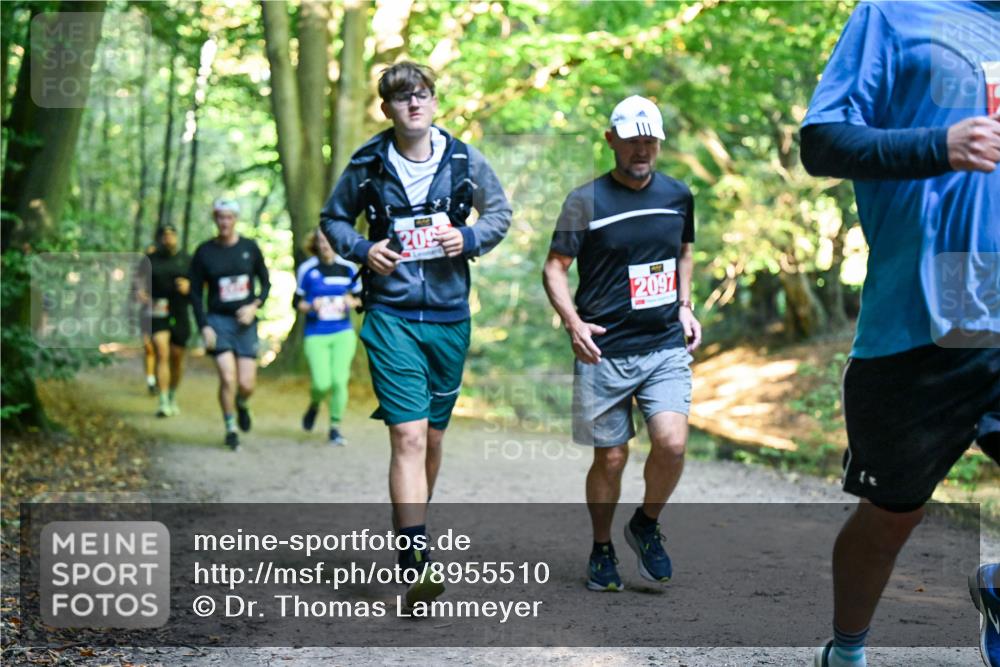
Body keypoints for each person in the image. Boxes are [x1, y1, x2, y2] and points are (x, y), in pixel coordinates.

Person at [799, 2, 1000, 665]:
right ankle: (847, 649)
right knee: (892, 516)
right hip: (924, 315)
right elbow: (821, 140)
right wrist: (938, 145)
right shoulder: (893, 14)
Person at [320, 61, 512, 604]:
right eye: (402, 98)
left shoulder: (463, 159)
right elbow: (333, 220)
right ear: (387, 108)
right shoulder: (367, 163)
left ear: (434, 102)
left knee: (431, 437)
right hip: (391, 315)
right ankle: (415, 559)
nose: (413, 105)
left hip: (450, 317)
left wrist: (469, 238)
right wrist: (363, 249)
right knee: (406, 434)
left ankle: (413, 524)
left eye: (422, 95)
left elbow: (499, 211)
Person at [542, 95, 701, 592]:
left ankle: (646, 524)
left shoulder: (678, 195)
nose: (642, 150)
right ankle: (602, 547)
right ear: (611, 141)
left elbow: (684, 252)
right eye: (632, 141)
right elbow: (554, 268)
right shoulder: (583, 201)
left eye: (650, 141)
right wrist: (573, 323)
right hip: (604, 350)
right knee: (610, 458)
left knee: (672, 443)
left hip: (663, 345)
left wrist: (685, 305)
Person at [188, 198, 271, 451]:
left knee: (246, 384)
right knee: (227, 377)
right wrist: (204, 325)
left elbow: (266, 283)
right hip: (218, 321)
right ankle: (230, 427)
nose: (225, 222)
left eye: (229, 217)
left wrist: (254, 305)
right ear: (215, 219)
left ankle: (242, 404)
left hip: (244, 323)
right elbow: (194, 293)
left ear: (235, 219)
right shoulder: (204, 252)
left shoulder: (249, 248)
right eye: (220, 217)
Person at [295, 228, 362, 446]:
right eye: (321, 241)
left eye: (329, 241)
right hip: (316, 334)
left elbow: (360, 300)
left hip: (343, 332)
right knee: (321, 383)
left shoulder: (348, 268)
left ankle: (335, 427)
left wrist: (349, 302)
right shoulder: (307, 269)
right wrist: (310, 305)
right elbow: (296, 303)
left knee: (339, 380)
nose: (325, 246)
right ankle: (315, 404)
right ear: (316, 243)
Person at [136, 223, 192, 417]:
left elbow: (202, 285)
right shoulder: (149, 260)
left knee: (176, 358)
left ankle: (172, 395)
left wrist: (189, 287)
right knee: (161, 352)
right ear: (159, 238)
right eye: (164, 234)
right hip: (157, 311)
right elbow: (137, 284)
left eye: (171, 234)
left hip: (180, 312)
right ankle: (162, 400)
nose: (168, 238)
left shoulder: (187, 260)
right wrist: (140, 293)